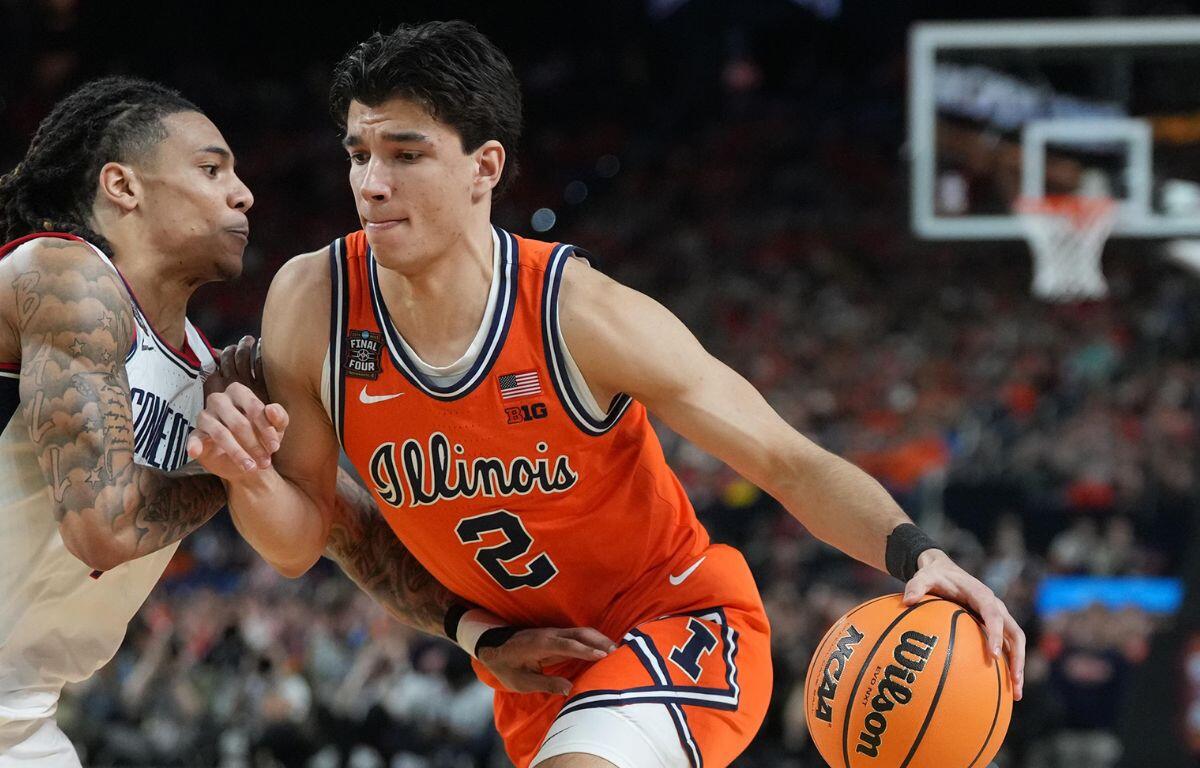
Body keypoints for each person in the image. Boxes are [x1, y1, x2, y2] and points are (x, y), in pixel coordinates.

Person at [199, 21, 1027, 768]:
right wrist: (248, 475)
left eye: (406, 154)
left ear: (485, 166)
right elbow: (304, 538)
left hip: (681, 628)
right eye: (358, 154)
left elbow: (784, 459)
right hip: (543, 676)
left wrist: (922, 553)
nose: (371, 183)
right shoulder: (313, 302)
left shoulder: (577, 314)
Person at [0, 75, 594, 768]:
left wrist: (480, 634)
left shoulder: (208, 375)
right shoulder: (65, 275)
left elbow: (347, 528)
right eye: (211, 168)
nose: (243, 192)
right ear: (123, 187)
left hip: (25, 714)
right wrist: (229, 473)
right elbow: (101, 529)